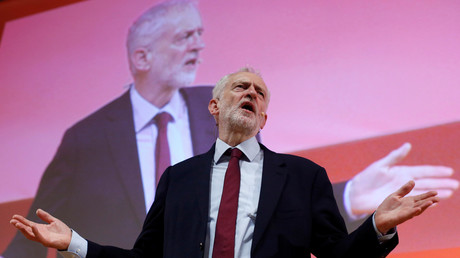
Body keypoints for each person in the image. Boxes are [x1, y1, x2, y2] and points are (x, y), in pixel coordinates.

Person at [10, 68, 439, 257]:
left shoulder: (304, 177)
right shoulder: (178, 178)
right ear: (214, 106)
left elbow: (335, 254)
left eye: (259, 93)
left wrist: (377, 228)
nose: (251, 93)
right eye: (240, 87)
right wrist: (76, 244)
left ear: (264, 117)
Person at [3, 1, 214, 257]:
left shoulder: (218, 110)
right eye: (184, 37)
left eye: (199, 34)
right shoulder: (85, 139)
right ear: (142, 58)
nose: (198, 45)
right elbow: (32, 238)